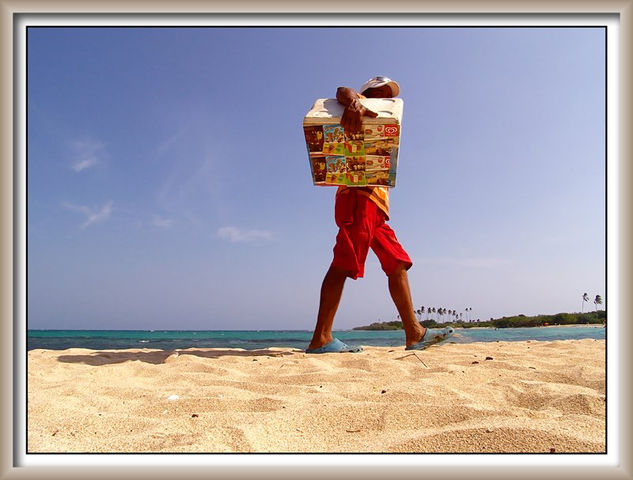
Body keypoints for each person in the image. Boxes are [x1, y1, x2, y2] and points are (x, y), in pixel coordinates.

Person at [306, 76, 455, 354]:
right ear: (368, 93)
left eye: (389, 94)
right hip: (357, 199)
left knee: (397, 262)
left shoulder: (379, 119)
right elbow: (342, 90)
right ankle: (321, 338)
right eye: (381, 92)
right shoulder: (359, 104)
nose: (386, 97)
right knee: (343, 261)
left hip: (377, 208)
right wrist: (354, 101)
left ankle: (414, 332)